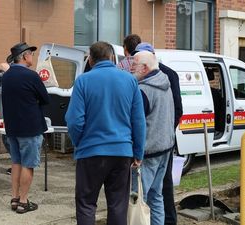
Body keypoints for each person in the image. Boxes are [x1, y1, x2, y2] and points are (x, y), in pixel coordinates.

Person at [65, 41, 146, 225]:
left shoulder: (83, 81)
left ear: (91, 60)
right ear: (112, 58)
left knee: (86, 204)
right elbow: (138, 121)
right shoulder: (130, 80)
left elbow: (74, 120)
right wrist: (138, 152)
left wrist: (80, 143)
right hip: (122, 152)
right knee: (118, 205)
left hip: (90, 152)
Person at [133, 42, 183, 225]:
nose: (131, 69)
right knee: (156, 196)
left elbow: (137, 125)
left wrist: (136, 153)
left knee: (140, 199)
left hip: (148, 153)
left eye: (134, 65)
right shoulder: (165, 82)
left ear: (145, 68)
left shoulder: (143, 90)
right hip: (165, 148)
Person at [2, 42, 49, 214]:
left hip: (12, 127)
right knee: (28, 165)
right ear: (24, 56)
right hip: (30, 127)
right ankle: (23, 201)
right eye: (30, 54)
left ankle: (14, 198)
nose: (32, 57)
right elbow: (45, 98)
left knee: (16, 163)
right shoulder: (31, 76)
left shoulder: (6, 76)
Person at [0, 62, 12, 175]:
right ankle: (16, 163)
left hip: (15, 113)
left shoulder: (11, 70)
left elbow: (1, 66)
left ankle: (17, 165)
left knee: (9, 138)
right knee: (6, 137)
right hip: (8, 111)